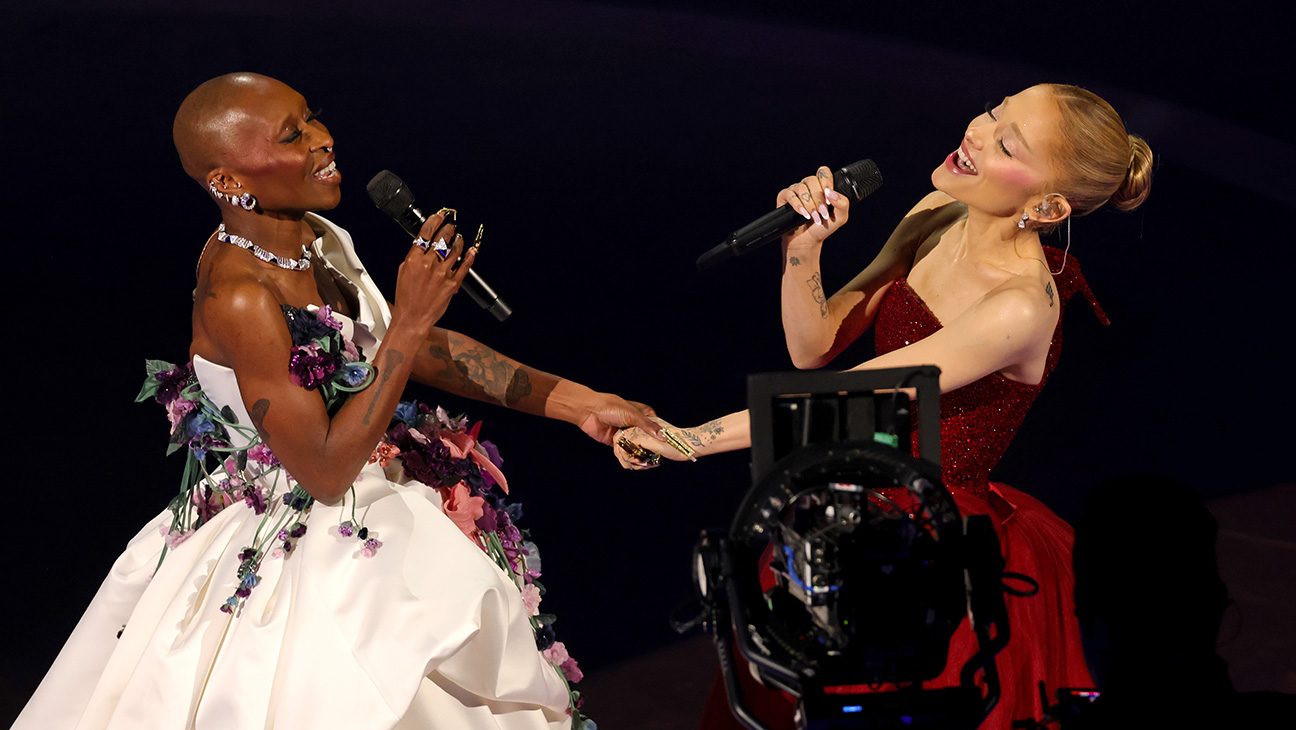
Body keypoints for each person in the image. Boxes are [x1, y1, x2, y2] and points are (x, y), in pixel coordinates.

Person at [14, 72, 661, 729]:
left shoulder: (317, 240)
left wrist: (579, 402)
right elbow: (324, 470)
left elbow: (396, 344)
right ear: (231, 183)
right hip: (309, 548)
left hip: (382, 499)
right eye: (294, 135)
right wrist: (408, 322)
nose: (325, 140)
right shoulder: (241, 296)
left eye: (313, 118)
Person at [615, 83, 1152, 728]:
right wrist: (803, 249)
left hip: (928, 551)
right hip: (848, 511)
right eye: (991, 111)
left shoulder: (1021, 306)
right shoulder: (936, 212)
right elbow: (814, 348)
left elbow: (845, 398)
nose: (975, 133)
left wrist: (690, 439)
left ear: (1049, 204)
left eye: (1006, 142)